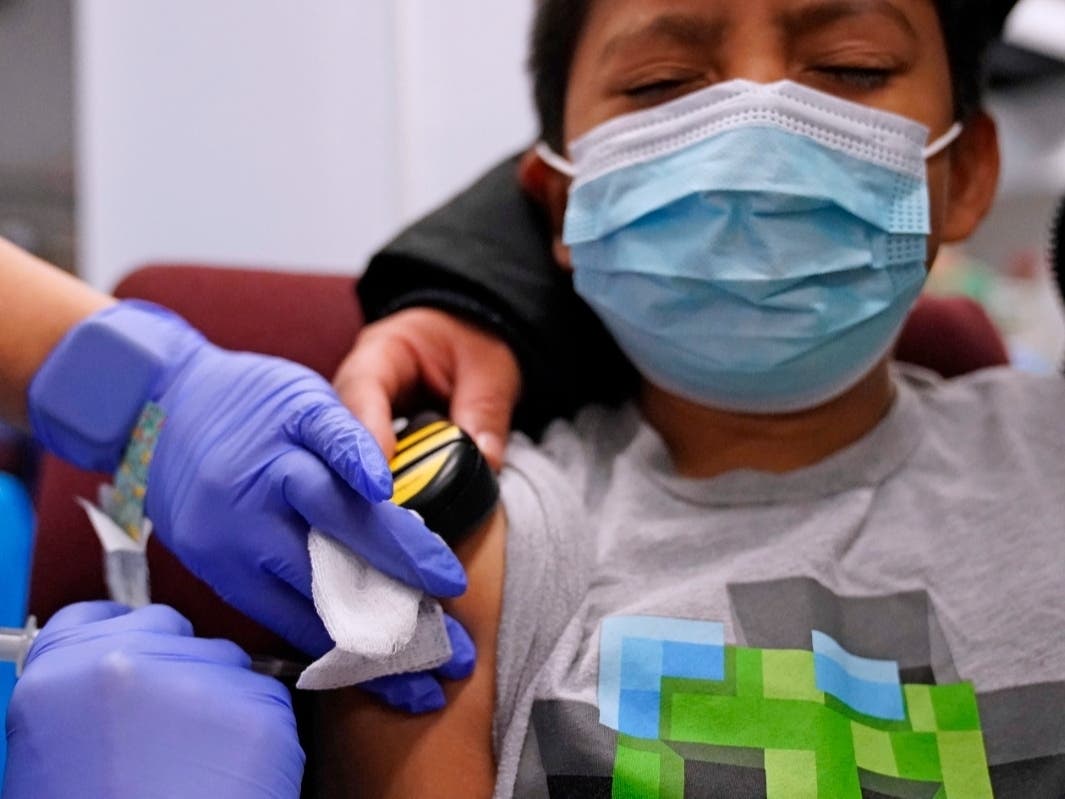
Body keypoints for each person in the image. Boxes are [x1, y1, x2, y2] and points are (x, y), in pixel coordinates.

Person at [314, 1, 1065, 797]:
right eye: (660, 83)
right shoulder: (457, 540)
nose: (757, 139)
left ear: (968, 171)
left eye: (853, 68)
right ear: (561, 203)